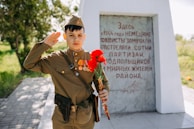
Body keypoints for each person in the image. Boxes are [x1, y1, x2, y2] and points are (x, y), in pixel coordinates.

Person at [23, 15, 110, 129]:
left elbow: (103, 82)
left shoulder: (92, 58)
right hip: (62, 117)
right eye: (71, 35)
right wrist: (44, 45)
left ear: (84, 37)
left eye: (79, 35)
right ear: (65, 36)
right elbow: (29, 64)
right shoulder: (56, 59)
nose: (76, 39)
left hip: (85, 117)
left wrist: (105, 91)